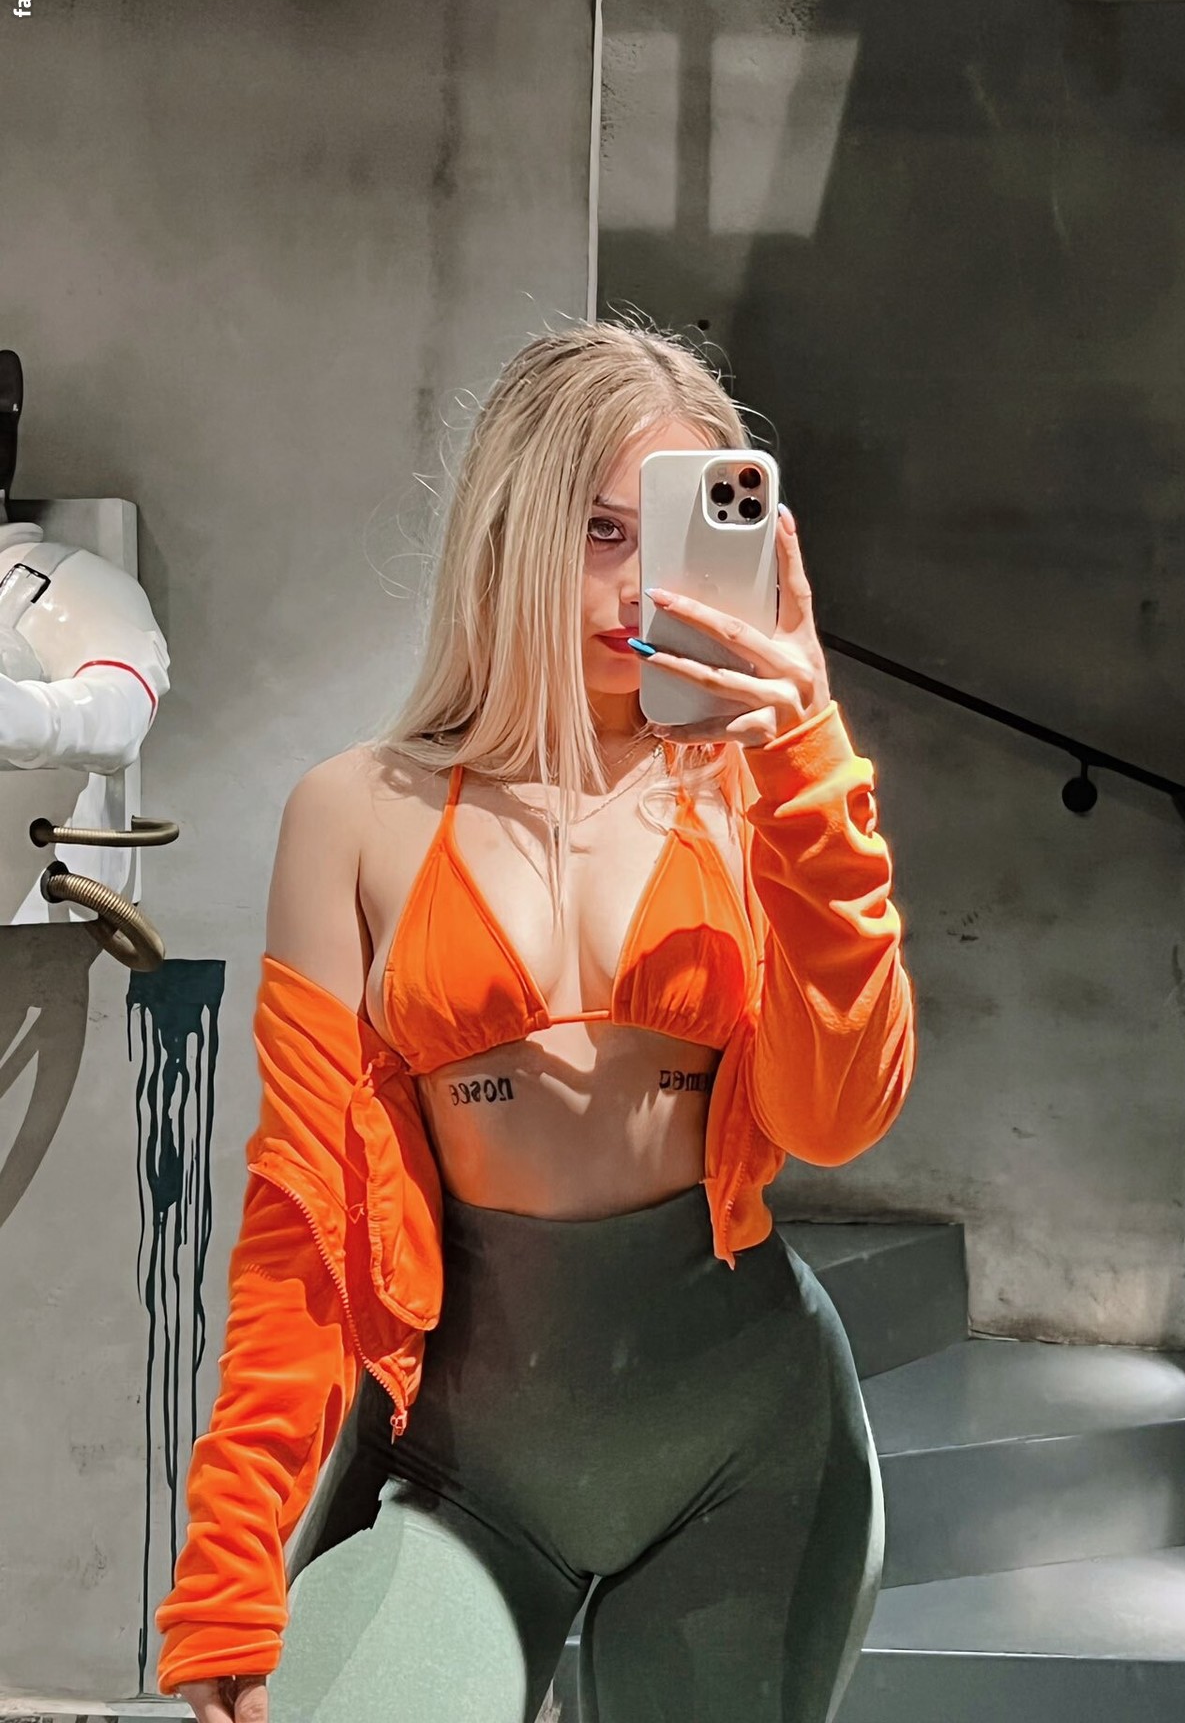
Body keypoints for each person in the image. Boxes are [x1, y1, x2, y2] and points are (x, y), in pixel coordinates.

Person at [152, 320, 918, 1723]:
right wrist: (231, 1556)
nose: (636, 585)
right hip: (462, 1465)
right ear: (510, 529)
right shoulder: (355, 813)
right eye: (599, 530)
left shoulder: (759, 797)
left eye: (672, 538)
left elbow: (839, 1116)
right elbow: (303, 1208)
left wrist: (810, 766)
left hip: (753, 1454)